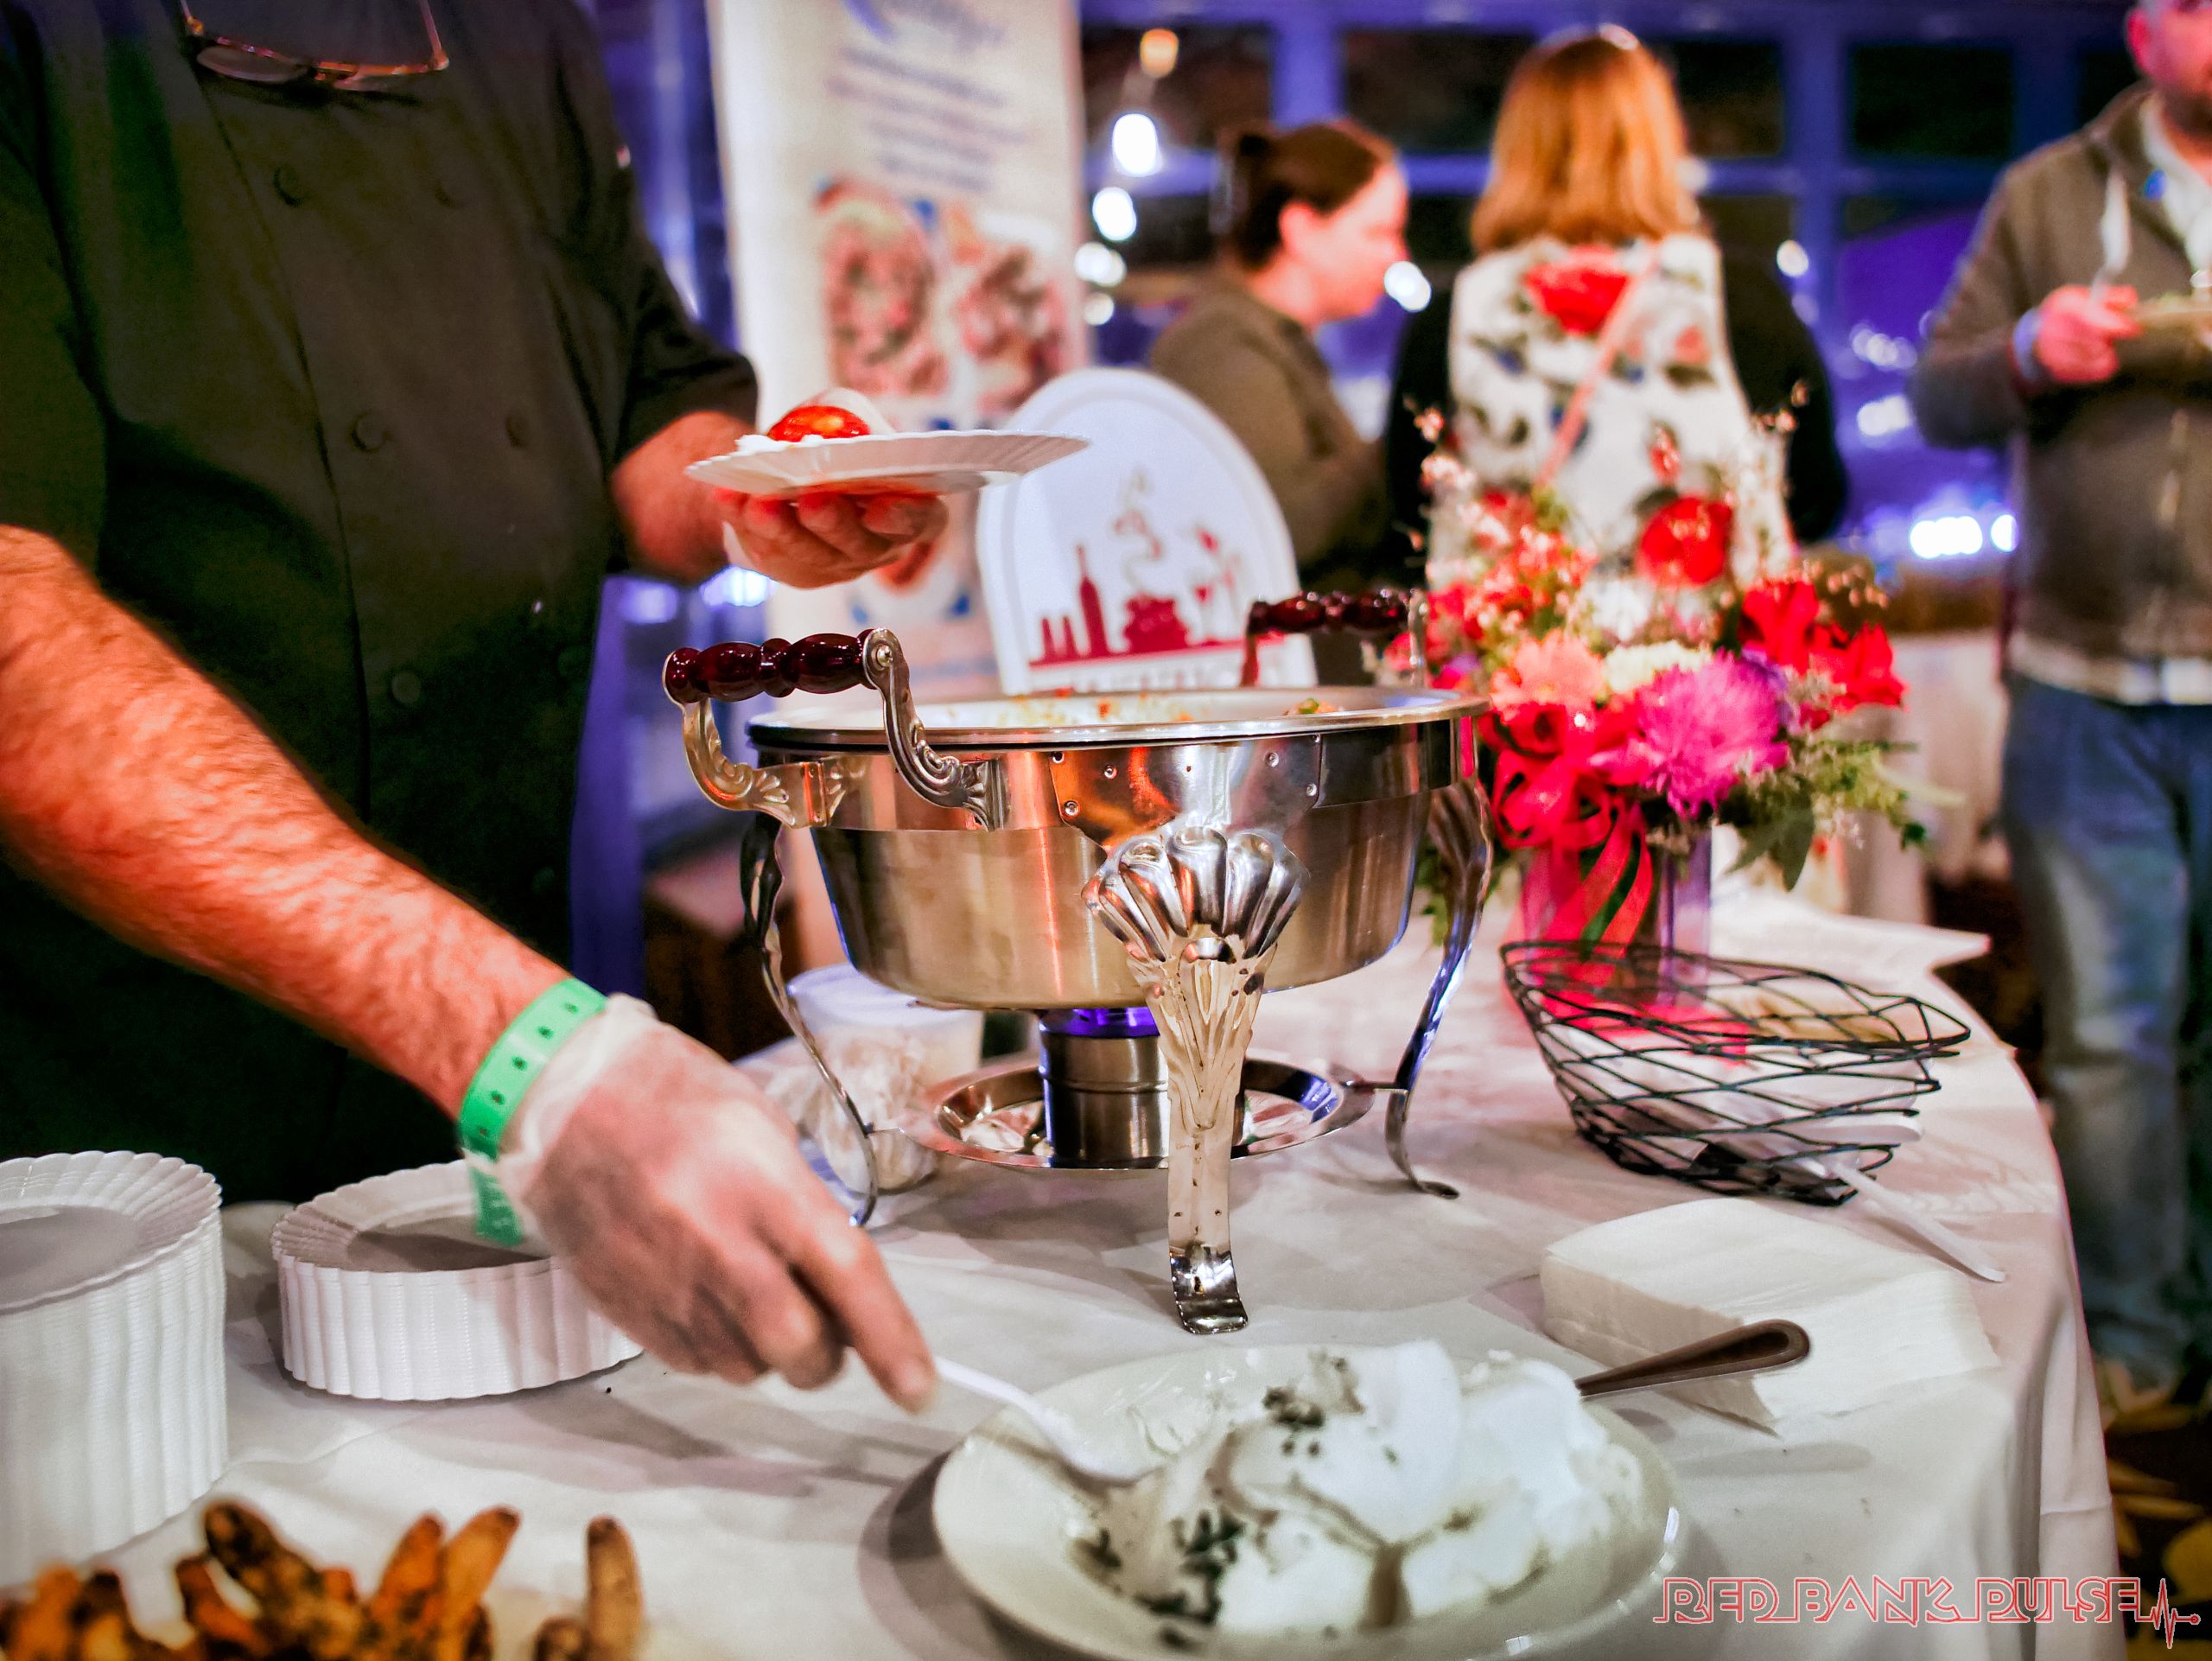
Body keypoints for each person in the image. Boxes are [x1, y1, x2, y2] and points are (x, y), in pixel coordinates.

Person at [1, 0, 944, 1404]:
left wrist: (764, 497)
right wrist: (542, 1064)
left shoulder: (515, 34)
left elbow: (644, 414)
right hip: (128, 1139)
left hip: (478, 1061)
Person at [1910, 0, 2212, 1411]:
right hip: (2082, 686)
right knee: (2104, 1040)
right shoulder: (2050, 191)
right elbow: (1939, 392)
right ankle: (2140, 1347)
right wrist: (2029, 349)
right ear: (2143, 33)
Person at [1382, 28, 1846, 591]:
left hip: (1516, 643)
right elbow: (1816, 496)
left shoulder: (1457, 313)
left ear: (1517, 151)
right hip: (1706, 643)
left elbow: (1408, 511)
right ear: (1661, 142)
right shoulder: (1739, 299)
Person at [1150, 120, 1407, 601]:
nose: (1396, 255)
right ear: (1301, 230)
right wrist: (1400, 446)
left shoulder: (1269, 339)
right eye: (1378, 233)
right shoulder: (1222, 345)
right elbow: (1285, 526)